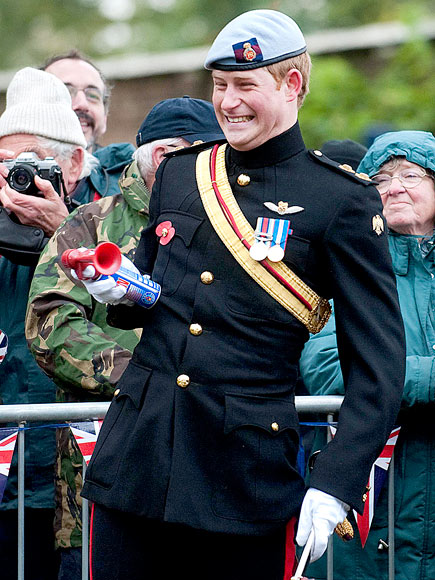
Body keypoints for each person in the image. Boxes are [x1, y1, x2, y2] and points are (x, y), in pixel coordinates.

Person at [79, 10, 405, 580]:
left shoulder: (343, 202)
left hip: (241, 478)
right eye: (220, 85)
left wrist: (336, 482)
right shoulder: (182, 173)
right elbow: (157, 298)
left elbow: (378, 365)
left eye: (246, 85)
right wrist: (119, 292)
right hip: (138, 459)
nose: (228, 102)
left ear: (293, 85)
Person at [25, 96, 224, 580]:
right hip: (105, 475)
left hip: (215, 479)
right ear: (162, 156)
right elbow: (51, 322)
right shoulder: (90, 224)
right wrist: (145, 378)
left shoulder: (231, 227)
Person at [300, 130, 435, 580]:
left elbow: (371, 371)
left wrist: (394, 379)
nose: (394, 186)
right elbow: (330, 371)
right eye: (379, 179)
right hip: (370, 503)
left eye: (410, 175)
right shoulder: (345, 268)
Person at [0, 67, 87, 580]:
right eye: (5, 163)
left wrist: (63, 231)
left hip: (73, 485)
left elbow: (132, 317)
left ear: (72, 165)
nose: (17, 177)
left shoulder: (105, 223)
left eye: (31, 162)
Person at [42, 50, 135, 205]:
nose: (82, 104)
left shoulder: (132, 178)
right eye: (65, 92)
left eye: (92, 95)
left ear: (105, 117)